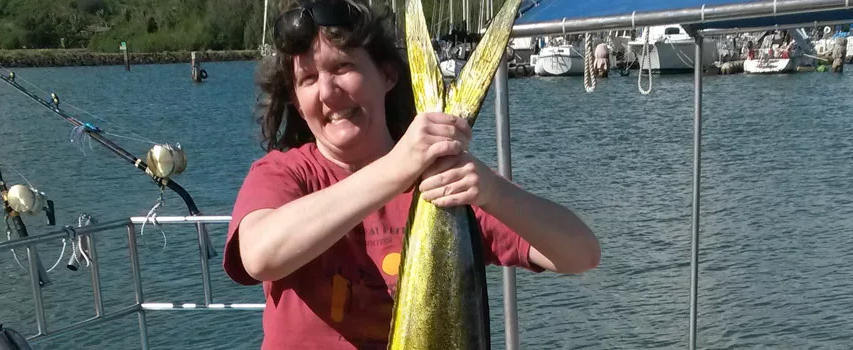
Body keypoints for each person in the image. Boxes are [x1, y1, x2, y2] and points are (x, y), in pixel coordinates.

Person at [224, 1, 601, 349]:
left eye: (343, 67)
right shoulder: (285, 174)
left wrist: (492, 191)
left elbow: (581, 254)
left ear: (387, 75)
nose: (328, 91)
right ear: (295, 101)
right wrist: (397, 167)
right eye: (308, 79)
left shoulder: (445, 183)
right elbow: (260, 256)